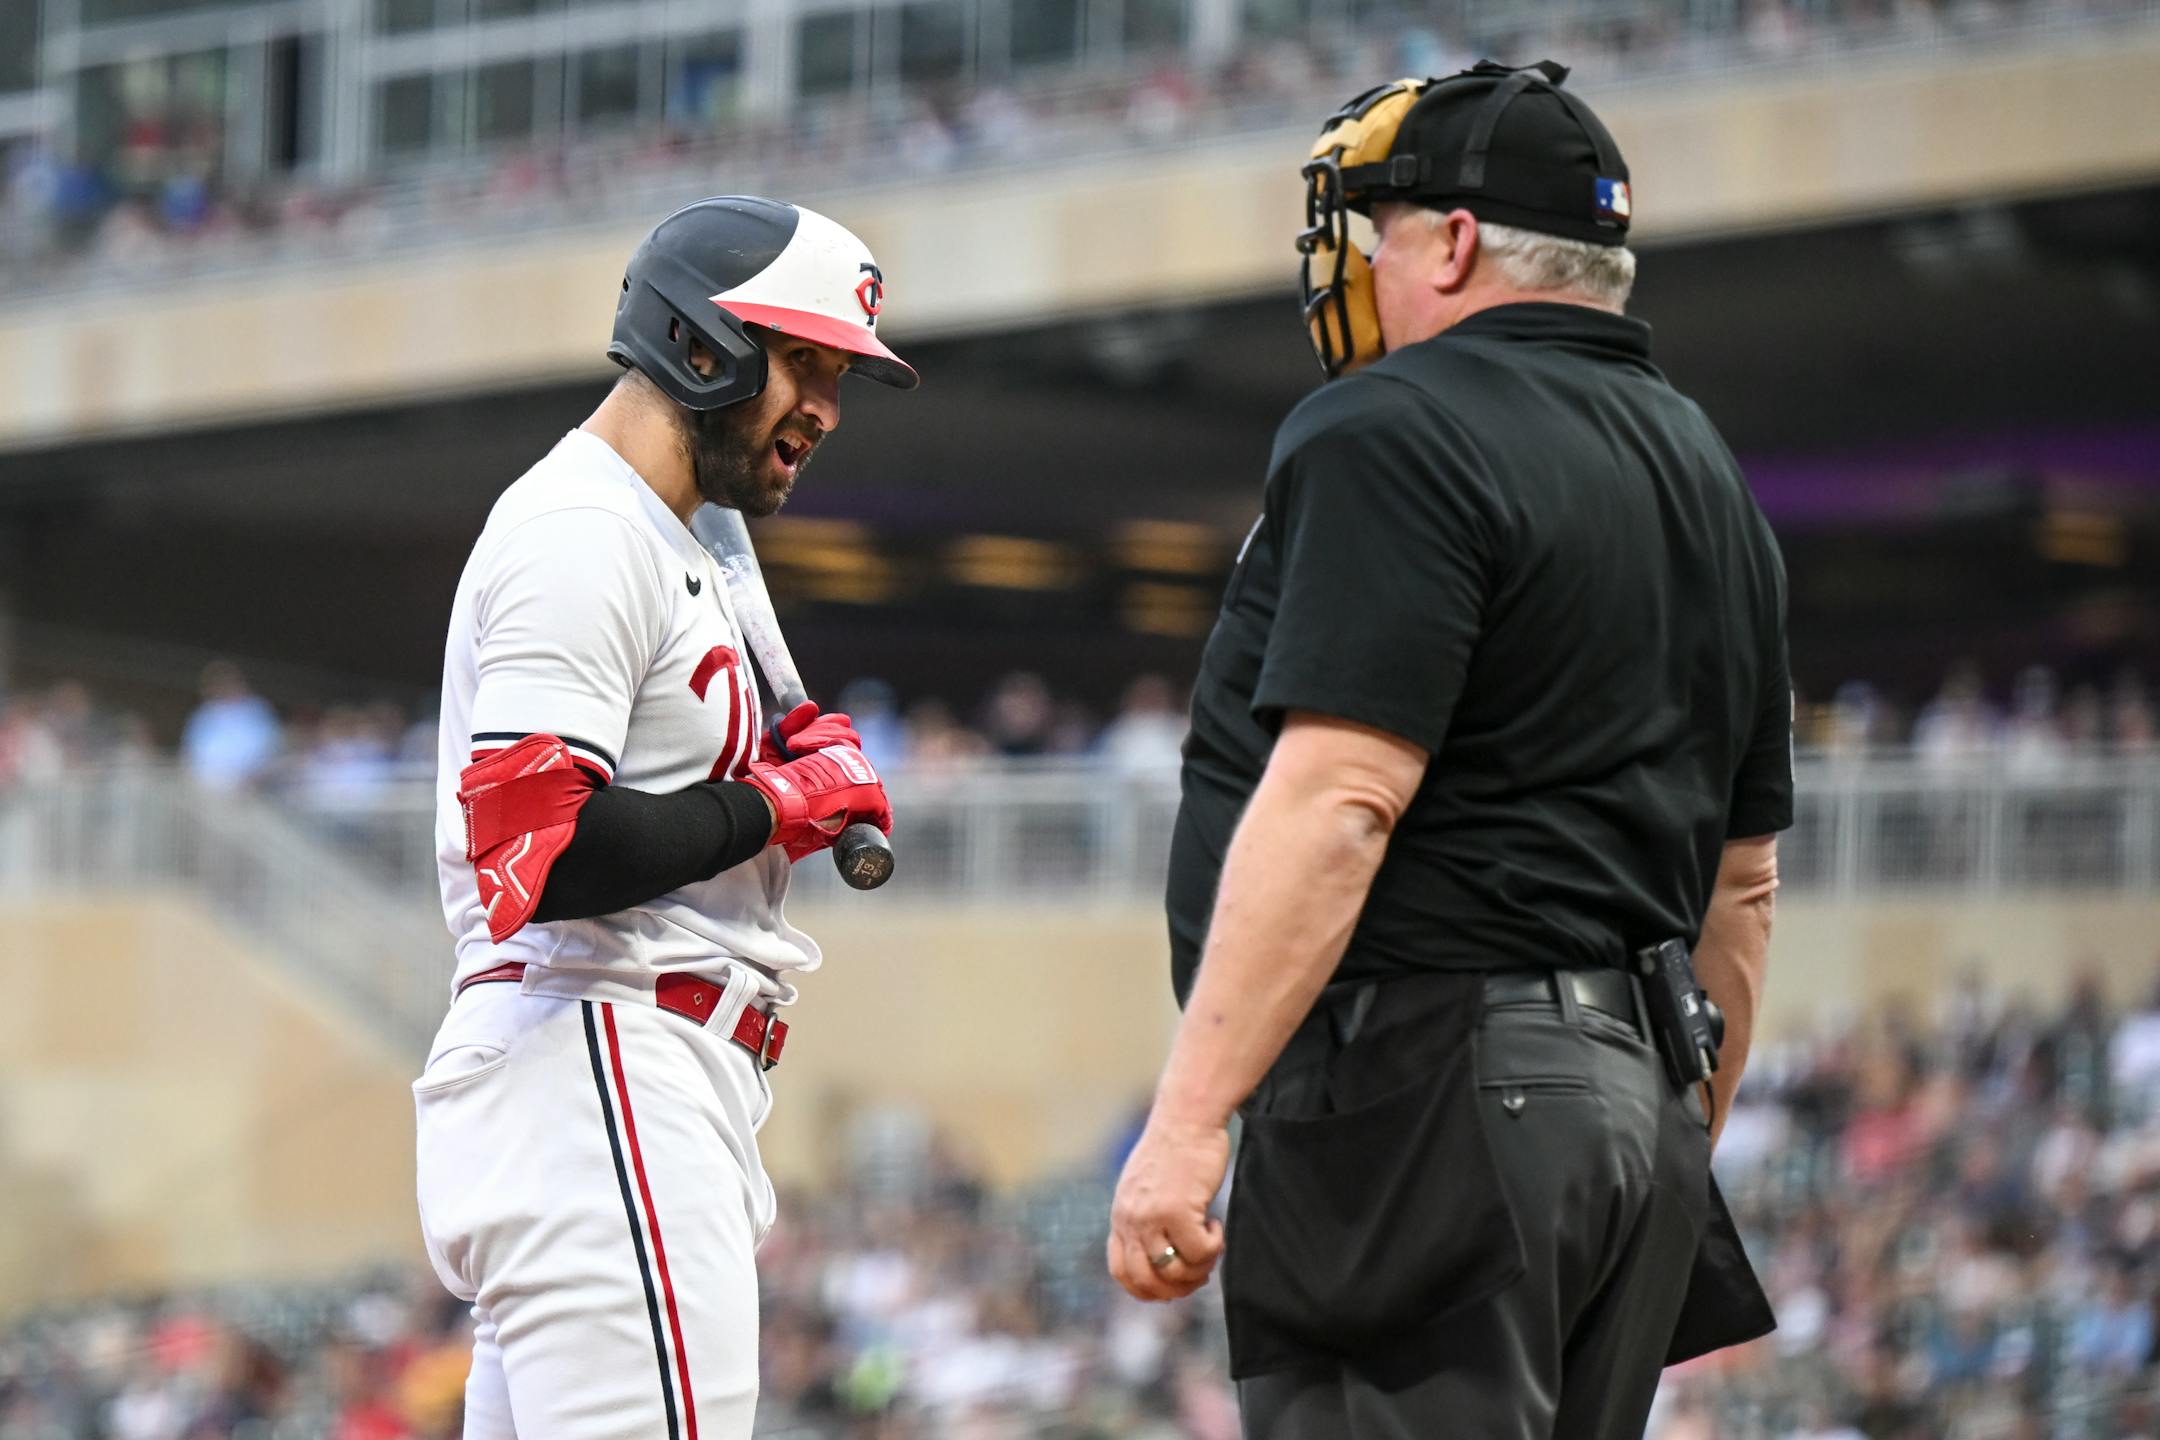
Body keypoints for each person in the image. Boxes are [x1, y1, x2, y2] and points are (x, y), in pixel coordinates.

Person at [1107, 61, 1790, 1438]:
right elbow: (1745, 887)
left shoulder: (1391, 424)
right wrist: (1658, 1135)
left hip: (1431, 1101)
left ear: (1458, 241)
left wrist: (1187, 1120)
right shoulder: (1708, 468)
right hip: (1640, 1107)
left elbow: (1344, 797)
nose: (1362, 265)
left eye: (1384, 232)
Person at [413, 196, 911, 1440]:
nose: (825, 411)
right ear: (702, 344)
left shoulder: (671, 534)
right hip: (603, 1054)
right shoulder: (583, 531)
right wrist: (776, 802)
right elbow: (543, 851)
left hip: (612, 1071)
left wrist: (773, 760)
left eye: (839, 375)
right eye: (803, 364)